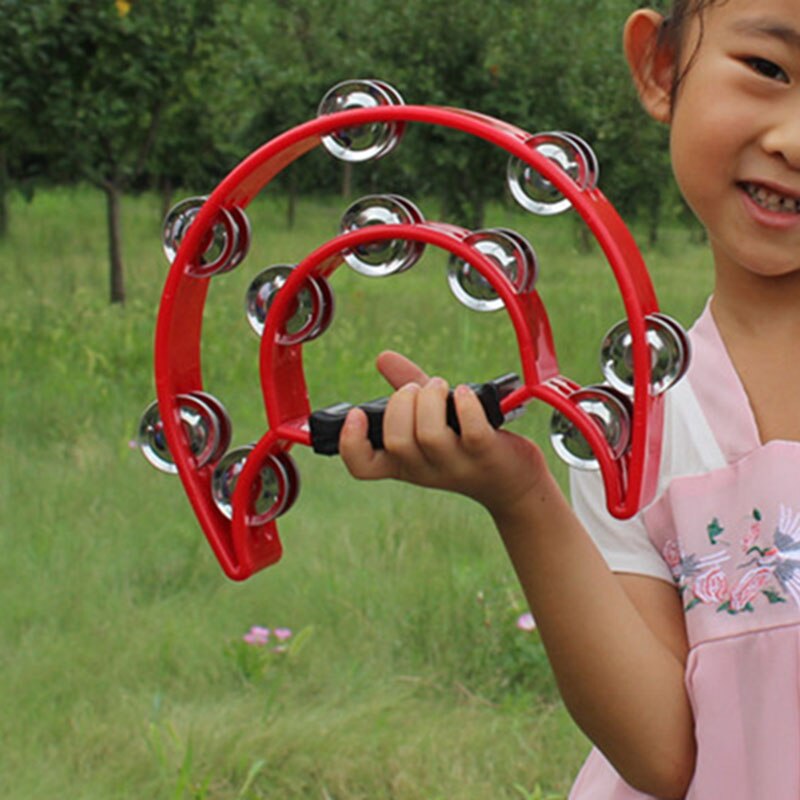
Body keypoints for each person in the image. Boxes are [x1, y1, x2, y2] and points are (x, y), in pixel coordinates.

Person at [339, 0, 800, 796]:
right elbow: (664, 755)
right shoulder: (637, 422)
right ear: (662, 66)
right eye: (768, 69)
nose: (794, 139)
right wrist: (521, 498)